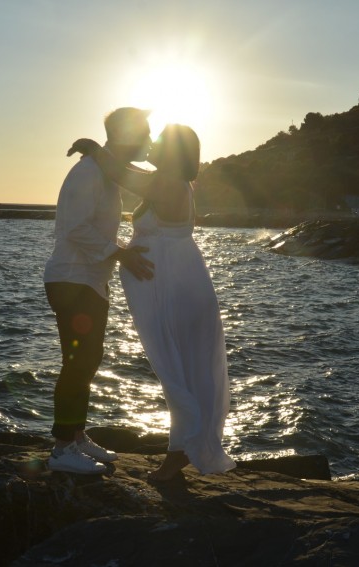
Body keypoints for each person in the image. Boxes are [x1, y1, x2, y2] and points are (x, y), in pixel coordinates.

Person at [69, 124, 236, 481]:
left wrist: (94, 148)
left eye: (159, 140)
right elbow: (128, 172)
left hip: (175, 287)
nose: (151, 143)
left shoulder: (169, 183)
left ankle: (179, 454)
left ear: (173, 153)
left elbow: (120, 173)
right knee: (179, 367)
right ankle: (185, 448)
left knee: (176, 369)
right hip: (176, 283)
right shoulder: (170, 180)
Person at [43, 107, 155, 474]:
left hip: (89, 280)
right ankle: (62, 449)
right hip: (72, 279)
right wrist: (120, 253)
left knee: (88, 361)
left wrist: (116, 253)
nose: (149, 140)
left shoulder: (106, 171)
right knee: (78, 363)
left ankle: (76, 436)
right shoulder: (88, 172)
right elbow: (75, 227)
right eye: (145, 133)